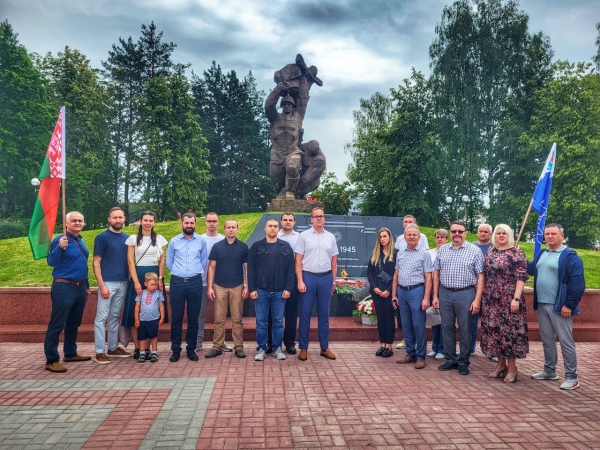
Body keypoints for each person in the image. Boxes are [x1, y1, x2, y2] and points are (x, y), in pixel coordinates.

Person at [528, 223, 585, 390]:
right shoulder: (543, 253)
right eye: (547, 234)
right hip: (542, 303)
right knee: (547, 340)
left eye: (553, 234)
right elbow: (532, 269)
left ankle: (572, 377)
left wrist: (569, 304)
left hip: (560, 306)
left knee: (566, 342)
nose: (550, 237)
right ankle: (549, 371)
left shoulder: (570, 256)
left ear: (562, 235)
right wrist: (517, 256)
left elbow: (578, 284)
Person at [432, 221, 484, 375]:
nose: (457, 234)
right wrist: (435, 295)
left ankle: (463, 361)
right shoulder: (443, 250)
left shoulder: (474, 251)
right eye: (454, 231)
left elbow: (481, 276)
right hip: (445, 292)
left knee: (465, 328)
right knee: (446, 326)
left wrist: (477, 299)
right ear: (450, 232)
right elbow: (436, 273)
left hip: (466, 293)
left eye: (460, 231)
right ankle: (450, 359)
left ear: (465, 233)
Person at [480, 224, 529, 383]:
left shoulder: (517, 253)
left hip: (509, 297)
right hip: (491, 298)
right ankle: (500, 365)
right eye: (498, 233)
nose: (501, 236)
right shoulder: (491, 251)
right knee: (495, 331)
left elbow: (521, 278)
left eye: (504, 233)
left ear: (509, 235)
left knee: (509, 333)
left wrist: (516, 298)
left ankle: (512, 368)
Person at [44, 211, 91, 373]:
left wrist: (86, 286)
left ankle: (70, 353)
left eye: (80, 221)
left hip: (79, 287)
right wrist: (59, 248)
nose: (77, 223)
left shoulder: (80, 241)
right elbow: (51, 261)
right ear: (66, 223)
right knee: (57, 323)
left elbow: (82, 264)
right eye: (74, 221)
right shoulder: (60, 240)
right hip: (64, 287)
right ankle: (51, 359)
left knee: (74, 323)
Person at [295, 207, 339, 361]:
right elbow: (298, 260)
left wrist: (333, 281)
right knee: (305, 314)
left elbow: (334, 262)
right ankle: (303, 348)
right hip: (308, 277)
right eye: (316, 216)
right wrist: (300, 280)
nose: (319, 218)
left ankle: (324, 348)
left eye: (321, 216)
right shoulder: (303, 236)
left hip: (326, 278)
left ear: (324, 218)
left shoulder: (331, 237)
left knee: (324, 315)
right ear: (311, 219)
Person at [123, 211, 168, 360]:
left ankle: (148, 348)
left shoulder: (160, 239)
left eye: (151, 220)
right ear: (141, 221)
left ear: (154, 222)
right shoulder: (133, 239)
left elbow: (162, 260)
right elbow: (130, 261)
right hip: (139, 273)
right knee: (135, 311)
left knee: (152, 311)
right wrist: (136, 282)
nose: (148, 223)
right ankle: (138, 347)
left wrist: (160, 279)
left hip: (155, 275)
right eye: (145, 220)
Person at [248, 219, 295, 361]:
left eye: (275, 226)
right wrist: (252, 288)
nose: (273, 229)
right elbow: (251, 269)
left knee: (278, 322)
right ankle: (262, 348)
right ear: (265, 228)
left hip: (279, 291)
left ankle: (276, 348)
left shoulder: (285, 247)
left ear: (278, 228)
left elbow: (290, 270)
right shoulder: (256, 246)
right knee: (261, 321)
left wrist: (288, 288)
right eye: (270, 226)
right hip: (261, 290)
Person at [166, 212, 207, 362]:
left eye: (192, 223)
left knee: (193, 318)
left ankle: (191, 349)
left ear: (195, 224)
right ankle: (175, 350)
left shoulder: (201, 241)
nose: (189, 225)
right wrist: (180, 273)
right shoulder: (174, 241)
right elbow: (169, 263)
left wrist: (192, 273)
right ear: (182, 223)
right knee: (176, 317)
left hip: (195, 282)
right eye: (186, 223)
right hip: (177, 282)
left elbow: (203, 261)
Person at [206, 220, 249, 359]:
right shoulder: (217, 247)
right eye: (228, 227)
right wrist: (210, 287)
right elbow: (211, 267)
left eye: (233, 227)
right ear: (224, 229)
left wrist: (247, 286)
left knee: (237, 319)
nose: (231, 230)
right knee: (219, 319)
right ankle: (217, 347)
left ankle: (239, 347)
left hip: (237, 286)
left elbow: (247, 268)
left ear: (237, 229)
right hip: (219, 286)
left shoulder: (243, 247)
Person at [92, 207, 130, 364]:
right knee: (101, 317)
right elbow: (96, 262)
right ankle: (99, 351)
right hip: (107, 282)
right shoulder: (102, 238)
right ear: (109, 219)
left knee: (114, 316)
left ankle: (113, 347)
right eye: (115, 217)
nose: (118, 220)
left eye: (120, 217)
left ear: (124, 218)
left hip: (123, 283)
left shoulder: (127, 238)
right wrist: (102, 285)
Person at [392, 224, 433, 369]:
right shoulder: (401, 253)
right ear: (404, 237)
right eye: (409, 234)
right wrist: (394, 294)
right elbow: (396, 275)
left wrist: (426, 298)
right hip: (402, 292)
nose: (411, 237)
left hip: (417, 291)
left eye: (414, 235)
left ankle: (421, 356)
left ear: (419, 237)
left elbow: (429, 277)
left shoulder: (424, 254)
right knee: (406, 324)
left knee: (418, 325)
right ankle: (410, 353)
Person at [196, 212, 232, 353]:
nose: (211, 223)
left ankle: (220, 342)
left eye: (214, 221)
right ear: (205, 222)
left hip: (220, 283)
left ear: (218, 223)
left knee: (220, 315)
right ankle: (198, 340)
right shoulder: (199, 239)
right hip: (202, 282)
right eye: (209, 221)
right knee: (200, 313)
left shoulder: (224, 239)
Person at [366, 228, 397, 358]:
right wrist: (374, 287)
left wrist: (389, 291)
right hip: (377, 292)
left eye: (385, 236)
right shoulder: (375, 254)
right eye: (380, 237)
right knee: (381, 319)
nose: (383, 239)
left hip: (389, 292)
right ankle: (382, 344)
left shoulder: (396, 254)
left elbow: (397, 275)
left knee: (389, 319)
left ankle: (389, 346)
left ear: (389, 237)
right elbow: (369, 273)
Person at [277, 212, 300, 354]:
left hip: (294, 278)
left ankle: (290, 343)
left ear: (294, 222)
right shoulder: (274, 236)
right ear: (281, 222)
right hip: (277, 279)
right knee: (274, 314)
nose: (287, 222)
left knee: (291, 312)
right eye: (285, 220)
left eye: (290, 220)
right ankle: (274, 342)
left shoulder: (300, 238)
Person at [471, 223, 493, 356]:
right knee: (471, 320)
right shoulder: (471, 247)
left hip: (490, 290)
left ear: (490, 234)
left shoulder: (494, 248)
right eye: (481, 231)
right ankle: (470, 347)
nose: (483, 233)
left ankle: (492, 350)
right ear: (477, 232)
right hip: (473, 289)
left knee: (490, 321)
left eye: (486, 231)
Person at [134, 272, 165, 363]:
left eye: (155, 284)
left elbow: (161, 306)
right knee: (142, 337)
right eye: (152, 285)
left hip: (154, 319)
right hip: (143, 320)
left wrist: (162, 317)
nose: (154, 286)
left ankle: (154, 352)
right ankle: (142, 353)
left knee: (153, 336)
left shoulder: (158, 294)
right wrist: (136, 319)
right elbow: (137, 307)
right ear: (145, 284)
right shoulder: (141, 293)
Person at [427, 229, 448, 360]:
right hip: (432, 290)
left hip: (444, 290)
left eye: (443, 237)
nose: (440, 239)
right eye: (438, 237)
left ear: (447, 239)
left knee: (444, 322)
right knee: (434, 320)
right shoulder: (429, 253)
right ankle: (435, 347)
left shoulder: (448, 251)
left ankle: (442, 348)